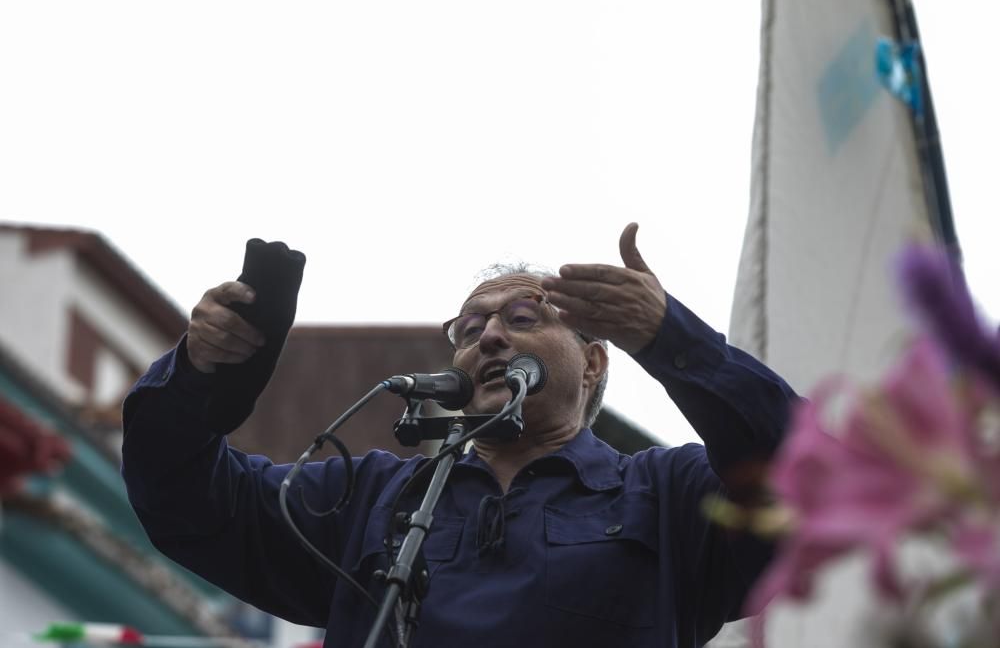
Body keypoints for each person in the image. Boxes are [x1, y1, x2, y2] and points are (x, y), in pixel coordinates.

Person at [121, 223, 799, 648]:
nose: (492, 335)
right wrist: (203, 372)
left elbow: (804, 474)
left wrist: (669, 336)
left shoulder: (666, 494)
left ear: (592, 363)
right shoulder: (369, 496)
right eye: (469, 329)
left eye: (526, 316)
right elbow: (184, 499)